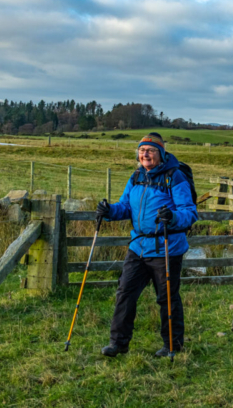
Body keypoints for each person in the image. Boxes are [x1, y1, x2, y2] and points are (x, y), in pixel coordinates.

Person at [97, 133, 198, 357]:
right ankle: (118, 344)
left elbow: (190, 213)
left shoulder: (175, 177)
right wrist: (109, 211)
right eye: (142, 150)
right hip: (138, 246)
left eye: (150, 150)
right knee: (125, 293)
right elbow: (125, 206)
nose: (145, 154)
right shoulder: (136, 177)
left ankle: (173, 345)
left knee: (167, 297)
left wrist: (171, 217)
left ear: (161, 154)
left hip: (166, 247)